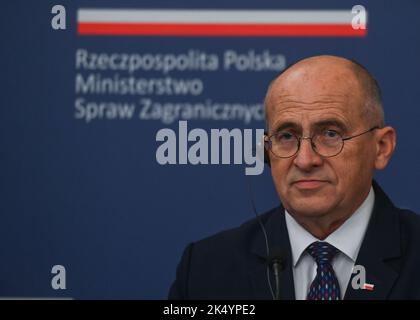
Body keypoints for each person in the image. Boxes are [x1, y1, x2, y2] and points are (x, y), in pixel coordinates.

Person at [168, 55, 420, 300]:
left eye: (331, 134)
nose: (305, 160)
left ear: (381, 147)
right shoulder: (207, 269)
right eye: (287, 136)